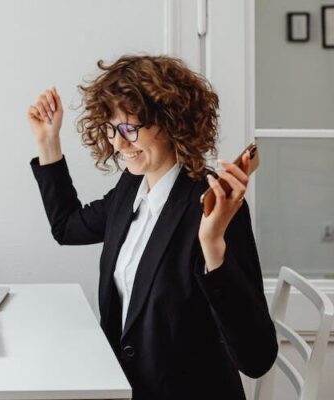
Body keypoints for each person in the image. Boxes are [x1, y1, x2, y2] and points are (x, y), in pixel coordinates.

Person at [27, 55, 277, 400]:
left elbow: (256, 357)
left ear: (171, 123)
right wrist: (48, 142)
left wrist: (213, 244)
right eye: (112, 129)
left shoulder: (214, 207)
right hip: (125, 387)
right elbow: (67, 227)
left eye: (129, 129)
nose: (118, 144)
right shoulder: (132, 186)